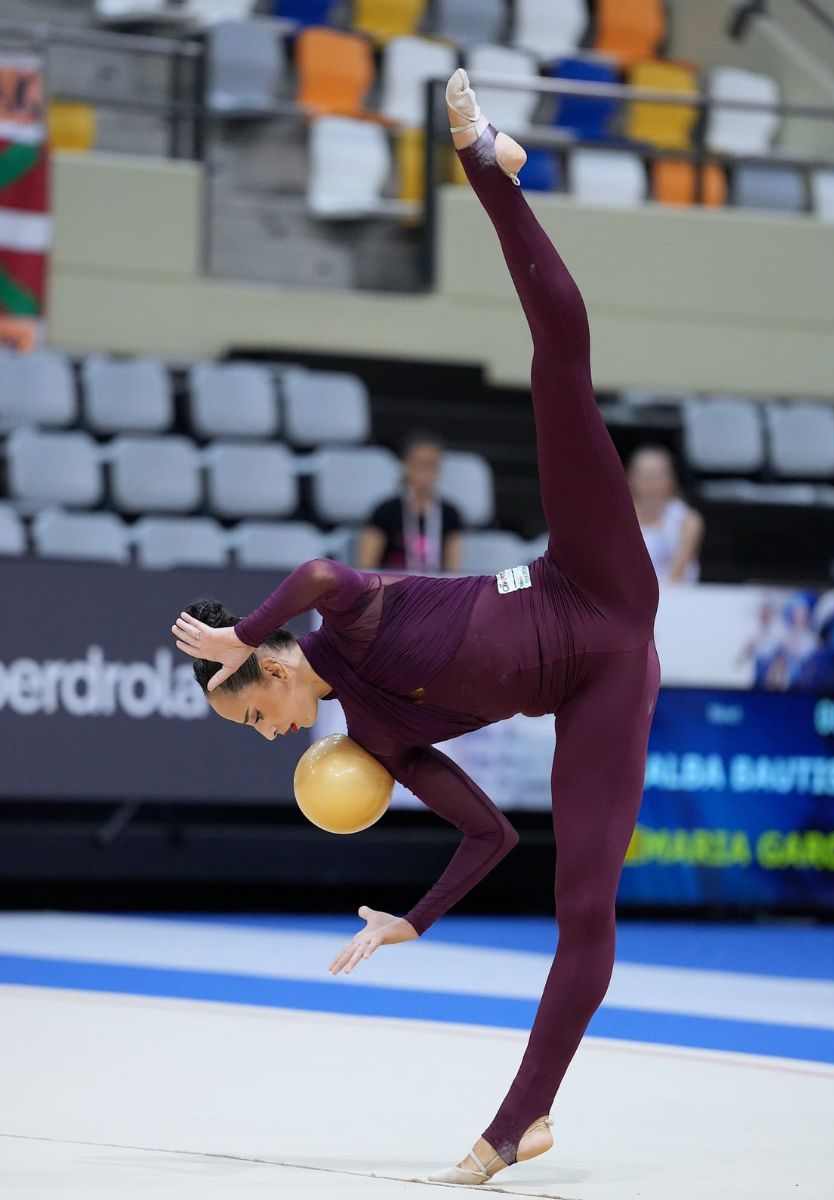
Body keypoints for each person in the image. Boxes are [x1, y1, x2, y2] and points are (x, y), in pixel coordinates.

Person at [171, 70, 659, 1188]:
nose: (265, 731)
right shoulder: (378, 742)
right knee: (584, 908)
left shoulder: (346, 621)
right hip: (604, 686)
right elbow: (486, 835)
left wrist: (246, 627)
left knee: (559, 372)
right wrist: (416, 920)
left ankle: (489, 170)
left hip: (591, 579)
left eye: (253, 709)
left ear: (271, 668)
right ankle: (516, 1126)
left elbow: (321, 566)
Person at [356, 431, 463, 573]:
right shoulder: (385, 512)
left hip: (436, 591)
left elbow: (454, 571)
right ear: (405, 465)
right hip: (393, 590)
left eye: (432, 465)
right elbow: (366, 568)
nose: (426, 472)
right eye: (420, 464)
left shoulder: (450, 514)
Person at [627, 445, 704, 583]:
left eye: (657, 476)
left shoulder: (688, 520)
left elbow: (677, 575)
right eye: (644, 476)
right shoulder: (620, 521)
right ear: (630, 479)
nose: (651, 483)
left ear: (671, 479)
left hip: (675, 596)